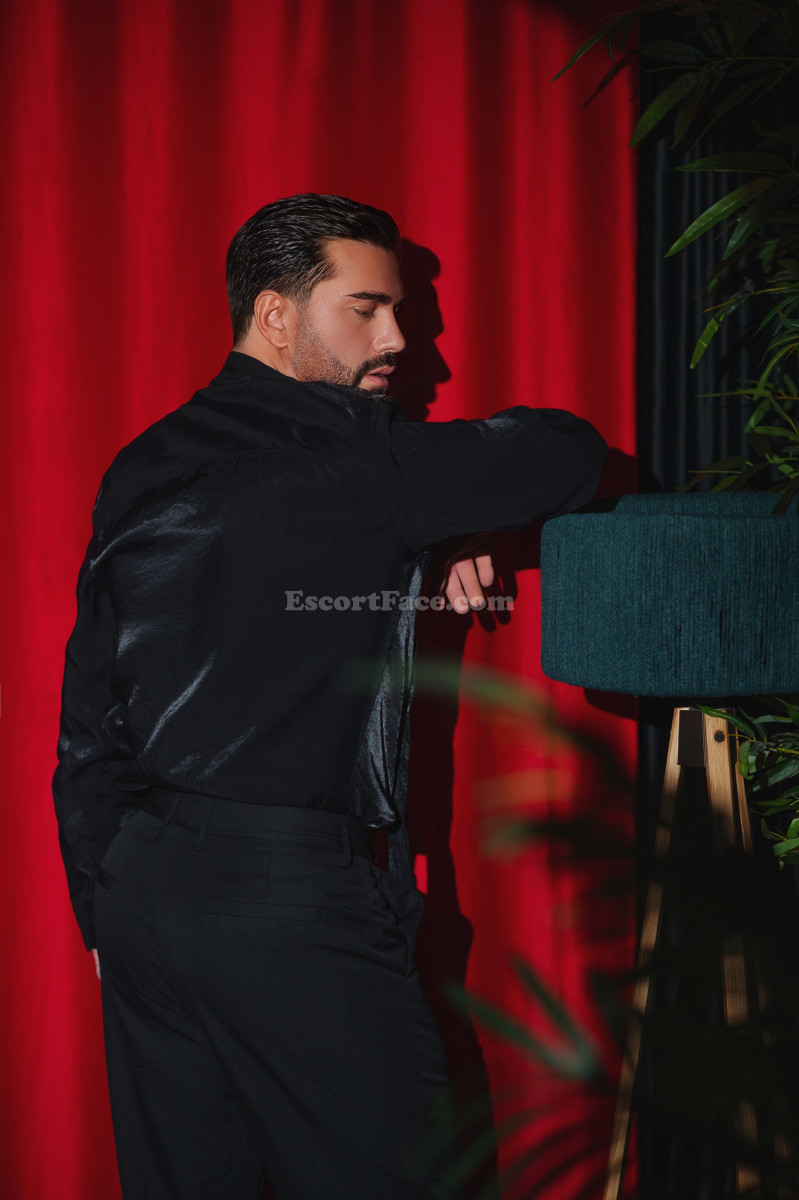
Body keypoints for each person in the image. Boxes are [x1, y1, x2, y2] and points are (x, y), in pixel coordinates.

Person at [53, 193, 607, 1199]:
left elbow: (88, 705)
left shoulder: (146, 458)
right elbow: (569, 449)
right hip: (288, 897)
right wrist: (458, 518)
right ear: (274, 314)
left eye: (397, 311)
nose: (397, 340)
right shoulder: (374, 459)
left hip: (141, 892)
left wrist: (103, 909)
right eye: (366, 308)